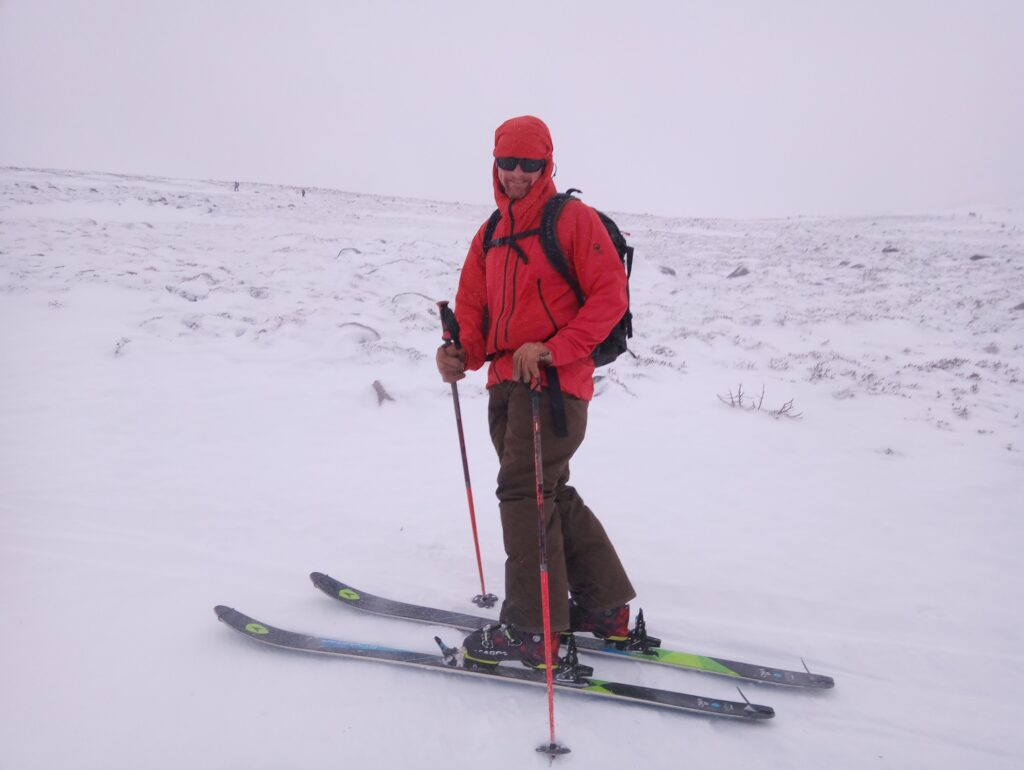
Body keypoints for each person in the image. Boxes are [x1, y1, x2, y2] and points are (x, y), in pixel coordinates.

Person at [436, 115, 635, 670]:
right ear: (495, 165)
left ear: (548, 166)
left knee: (524, 494)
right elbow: (473, 311)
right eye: (509, 162)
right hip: (506, 387)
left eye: (531, 164)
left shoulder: (570, 220)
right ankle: (604, 608)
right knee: (547, 491)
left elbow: (608, 297)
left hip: (552, 387)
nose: (519, 173)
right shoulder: (491, 233)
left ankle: (531, 629)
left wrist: (553, 348)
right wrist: (459, 354)